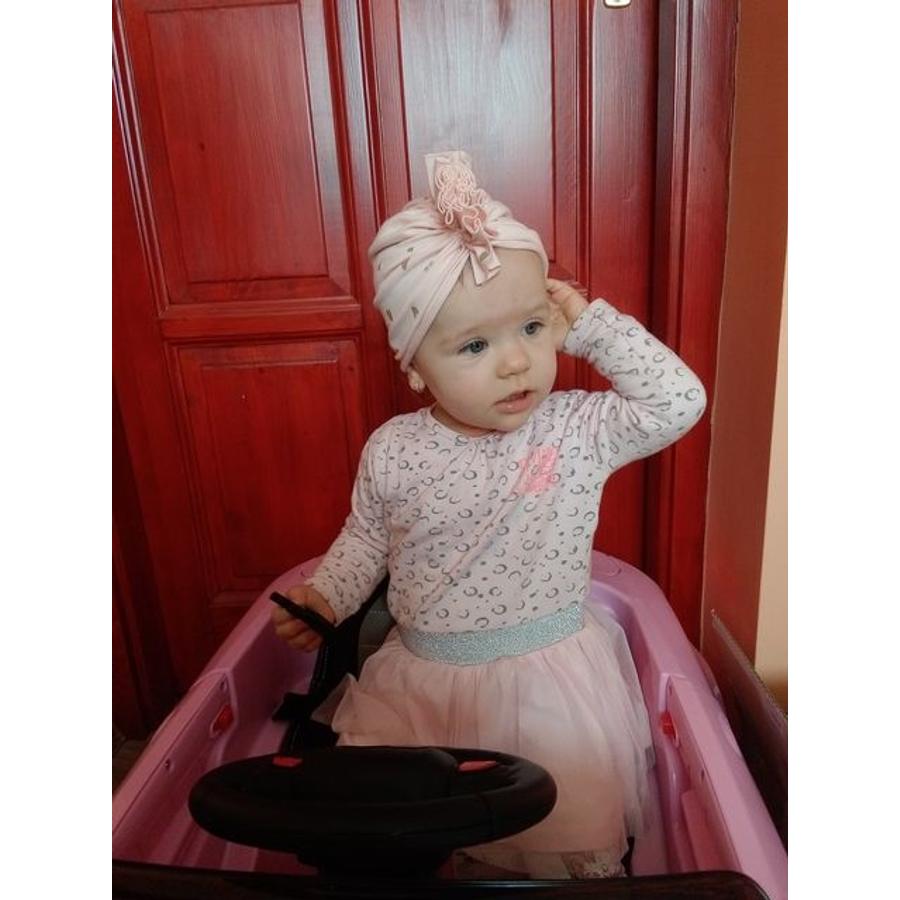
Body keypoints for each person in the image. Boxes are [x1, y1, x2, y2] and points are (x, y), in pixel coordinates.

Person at [272, 150, 706, 878]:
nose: (516, 363)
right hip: (419, 687)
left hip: (550, 687)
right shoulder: (395, 448)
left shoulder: (574, 429)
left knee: (555, 842)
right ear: (415, 366)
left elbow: (679, 401)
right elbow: (367, 538)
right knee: (410, 843)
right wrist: (327, 598)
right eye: (475, 344)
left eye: (532, 329)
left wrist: (591, 327)